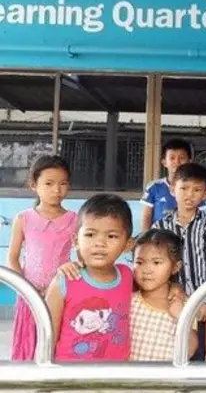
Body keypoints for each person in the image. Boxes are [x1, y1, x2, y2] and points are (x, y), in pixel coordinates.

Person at [45, 194, 134, 362]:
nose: (100, 243)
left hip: (117, 373)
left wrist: (175, 290)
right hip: (70, 373)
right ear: (75, 240)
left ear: (127, 244)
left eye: (111, 236)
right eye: (90, 235)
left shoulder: (127, 276)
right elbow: (47, 337)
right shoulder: (64, 281)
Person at [8, 155, 78, 361]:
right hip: (30, 295)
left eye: (63, 183)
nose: (57, 190)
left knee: (56, 341)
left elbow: (83, 255)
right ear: (34, 185)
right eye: (49, 183)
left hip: (61, 292)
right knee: (29, 343)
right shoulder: (23, 218)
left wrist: (62, 283)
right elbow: (12, 258)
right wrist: (26, 287)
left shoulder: (74, 219)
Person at [152, 162, 206, 361]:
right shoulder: (161, 226)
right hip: (170, 300)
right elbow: (156, 264)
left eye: (197, 190)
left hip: (200, 302)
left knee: (197, 351)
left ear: (205, 194)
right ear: (173, 189)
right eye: (184, 188)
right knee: (170, 350)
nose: (190, 194)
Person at [129, 229, 198, 361]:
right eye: (139, 262)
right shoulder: (128, 299)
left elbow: (190, 350)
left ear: (176, 267)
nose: (147, 270)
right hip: (127, 374)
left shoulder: (184, 305)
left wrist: (182, 317)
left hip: (166, 374)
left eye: (156, 262)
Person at [140, 138, 204, 230]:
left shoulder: (196, 189)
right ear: (164, 162)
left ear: (189, 161)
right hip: (158, 236)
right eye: (172, 158)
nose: (177, 162)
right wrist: (146, 237)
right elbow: (146, 217)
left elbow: (201, 218)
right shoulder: (154, 187)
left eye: (181, 158)